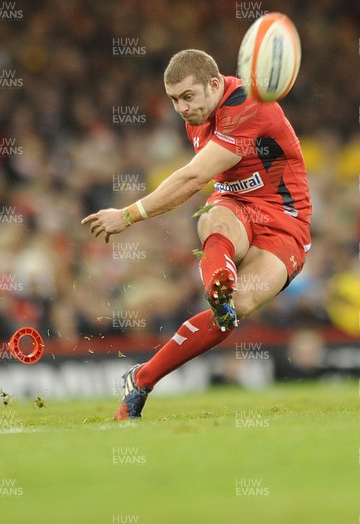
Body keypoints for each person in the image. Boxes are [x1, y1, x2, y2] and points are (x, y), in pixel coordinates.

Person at [81, 49, 312, 419]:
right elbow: (206, 183)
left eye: (188, 97)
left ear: (215, 85)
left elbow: (192, 178)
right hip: (235, 206)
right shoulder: (199, 116)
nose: (182, 108)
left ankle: (141, 377)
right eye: (174, 100)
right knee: (213, 216)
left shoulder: (248, 106)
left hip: (285, 221)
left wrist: (128, 215)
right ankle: (219, 280)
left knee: (232, 313)